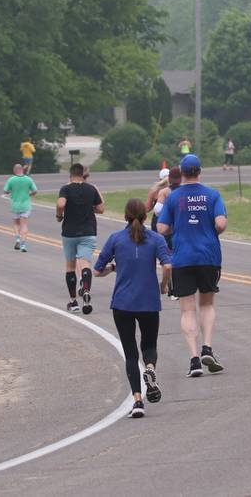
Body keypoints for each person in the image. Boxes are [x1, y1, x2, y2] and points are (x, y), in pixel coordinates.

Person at [94, 199, 172, 418]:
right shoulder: (156, 239)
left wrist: (113, 267)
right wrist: (164, 285)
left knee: (130, 353)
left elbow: (97, 270)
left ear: (125, 216)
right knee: (149, 345)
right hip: (148, 301)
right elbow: (167, 265)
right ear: (146, 216)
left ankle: (138, 401)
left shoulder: (116, 239)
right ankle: (151, 369)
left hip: (122, 303)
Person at [157, 154, 227, 377]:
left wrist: (176, 229)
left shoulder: (174, 197)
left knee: (187, 309)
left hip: (182, 257)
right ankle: (208, 346)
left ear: (182, 173)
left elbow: (161, 228)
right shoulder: (212, 195)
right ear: (199, 172)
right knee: (206, 303)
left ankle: (194, 359)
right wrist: (208, 229)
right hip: (208, 256)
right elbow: (221, 224)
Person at [56, 163, 105, 314]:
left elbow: (60, 203)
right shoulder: (91, 189)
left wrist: (59, 215)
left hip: (69, 232)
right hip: (88, 232)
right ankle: (86, 290)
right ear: (83, 174)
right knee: (85, 264)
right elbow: (101, 209)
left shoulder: (66, 188)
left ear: (71, 174)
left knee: (70, 266)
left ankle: (73, 302)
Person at [4, 164, 38, 252]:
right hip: (26, 205)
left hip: (15, 205)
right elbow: (35, 191)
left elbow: (5, 191)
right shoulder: (28, 179)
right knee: (24, 225)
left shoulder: (11, 179)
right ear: (22, 170)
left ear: (14, 170)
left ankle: (17, 239)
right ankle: (23, 245)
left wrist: (11, 191)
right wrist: (29, 194)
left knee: (16, 224)